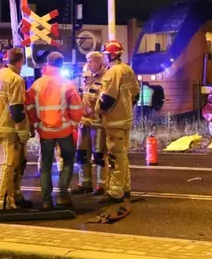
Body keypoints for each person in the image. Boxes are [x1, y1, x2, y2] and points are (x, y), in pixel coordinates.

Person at [26, 51, 83, 209]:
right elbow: (77, 108)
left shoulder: (37, 84)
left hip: (45, 132)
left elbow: (29, 106)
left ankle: (46, 201)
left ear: (47, 64)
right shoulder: (67, 83)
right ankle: (63, 196)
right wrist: (73, 123)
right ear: (62, 64)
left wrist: (36, 124)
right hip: (64, 130)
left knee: (45, 166)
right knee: (68, 161)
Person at [0, 48, 32, 212]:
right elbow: (17, 110)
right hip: (7, 131)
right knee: (7, 166)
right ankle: (2, 203)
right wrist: (24, 133)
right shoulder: (16, 79)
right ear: (20, 61)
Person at [96, 40, 139, 204]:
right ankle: (125, 188)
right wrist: (126, 108)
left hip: (114, 121)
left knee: (115, 157)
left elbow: (107, 98)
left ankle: (115, 192)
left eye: (105, 55)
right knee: (123, 156)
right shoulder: (128, 69)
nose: (105, 58)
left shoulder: (113, 72)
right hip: (125, 120)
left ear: (110, 55)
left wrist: (97, 110)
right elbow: (136, 93)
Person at [72, 51, 108, 195]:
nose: (88, 64)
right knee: (82, 153)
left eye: (90, 61)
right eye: (87, 61)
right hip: (84, 122)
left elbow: (104, 101)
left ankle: (102, 185)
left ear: (99, 62)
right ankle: (84, 183)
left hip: (97, 123)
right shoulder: (85, 77)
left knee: (99, 155)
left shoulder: (105, 78)